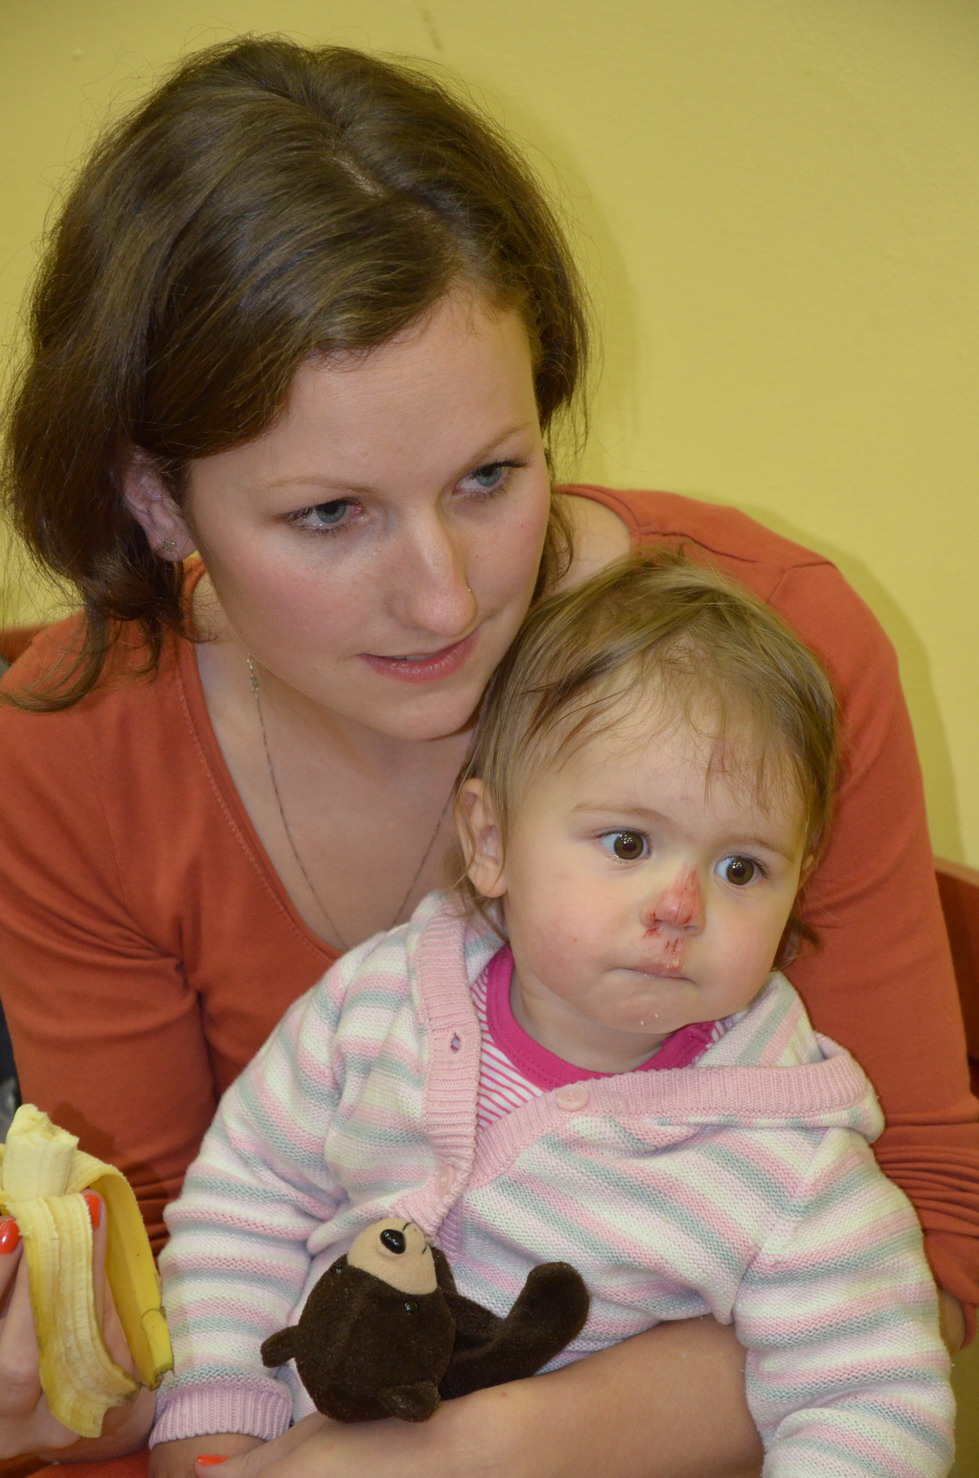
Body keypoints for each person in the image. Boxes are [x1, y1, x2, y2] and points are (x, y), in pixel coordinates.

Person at [0, 32, 974, 1478]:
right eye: (330, 513)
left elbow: (921, 1251)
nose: (446, 598)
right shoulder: (75, 748)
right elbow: (171, 1276)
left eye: (488, 476)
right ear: (157, 502)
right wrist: (82, 1386)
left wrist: (466, 1451)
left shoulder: (777, 663)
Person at [153, 551, 955, 1477]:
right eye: (628, 843)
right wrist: (218, 1408)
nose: (680, 906)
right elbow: (249, 1197)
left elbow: (870, 1401)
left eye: (741, 868)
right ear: (490, 840)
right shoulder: (377, 1004)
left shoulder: (790, 1161)